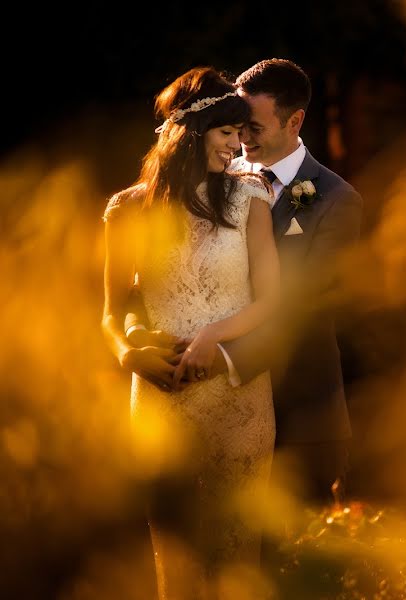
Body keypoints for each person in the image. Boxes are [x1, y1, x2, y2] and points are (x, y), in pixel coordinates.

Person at [128, 58, 364, 508]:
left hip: (299, 418)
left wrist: (219, 358)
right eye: (233, 127)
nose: (240, 140)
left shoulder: (336, 201)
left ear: (295, 121)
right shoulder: (210, 184)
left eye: (253, 128)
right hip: (209, 414)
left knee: (295, 565)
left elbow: (300, 307)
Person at [102, 67, 280, 598]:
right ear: (189, 134)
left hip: (239, 400)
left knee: (236, 558)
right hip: (162, 399)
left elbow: (270, 299)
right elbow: (112, 313)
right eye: (226, 133)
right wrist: (128, 355)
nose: (237, 145)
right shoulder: (128, 210)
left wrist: (213, 339)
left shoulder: (252, 197)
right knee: (174, 563)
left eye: (240, 133)